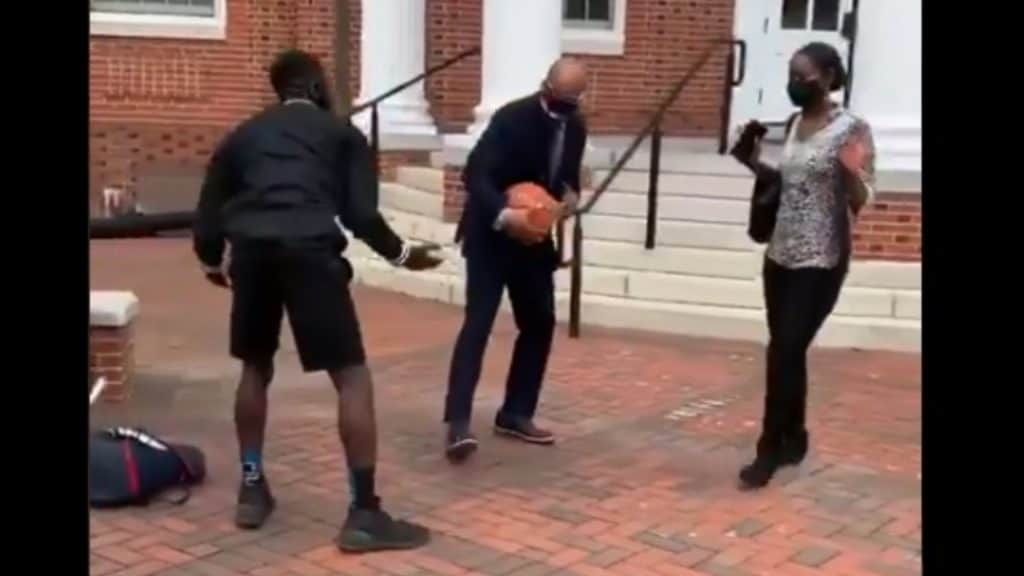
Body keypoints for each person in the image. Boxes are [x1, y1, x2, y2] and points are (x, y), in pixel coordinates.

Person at [193, 49, 442, 551]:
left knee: (254, 366)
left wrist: (213, 262)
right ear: (313, 88)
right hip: (310, 251)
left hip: (254, 254)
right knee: (350, 375)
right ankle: (364, 513)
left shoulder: (243, 136)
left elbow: (208, 214)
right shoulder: (342, 135)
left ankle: (252, 486)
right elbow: (361, 215)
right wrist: (403, 256)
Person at [734, 42, 875, 489]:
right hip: (780, 254)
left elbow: (864, 198)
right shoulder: (795, 123)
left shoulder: (853, 128)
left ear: (830, 77)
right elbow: (786, 182)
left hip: (823, 257)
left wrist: (851, 173)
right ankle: (795, 435)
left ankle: (769, 448)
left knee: (786, 349)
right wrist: (750, 157)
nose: (795, 85)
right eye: (792, 76)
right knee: (785, 348)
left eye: (804, 77)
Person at [443, 58, 589, 462]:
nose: (566, 107)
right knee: (479, 323)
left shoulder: (574, 126)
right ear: (546, 87)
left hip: (534, 239)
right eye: (561, 99)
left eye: (574, 101)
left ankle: (516, 412)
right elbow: (475, 175)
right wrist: (506, 214)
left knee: (539, 322)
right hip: (492, 232)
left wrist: (569, 197)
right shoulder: (512, 118)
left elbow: (566, 177)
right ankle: (458, 424)